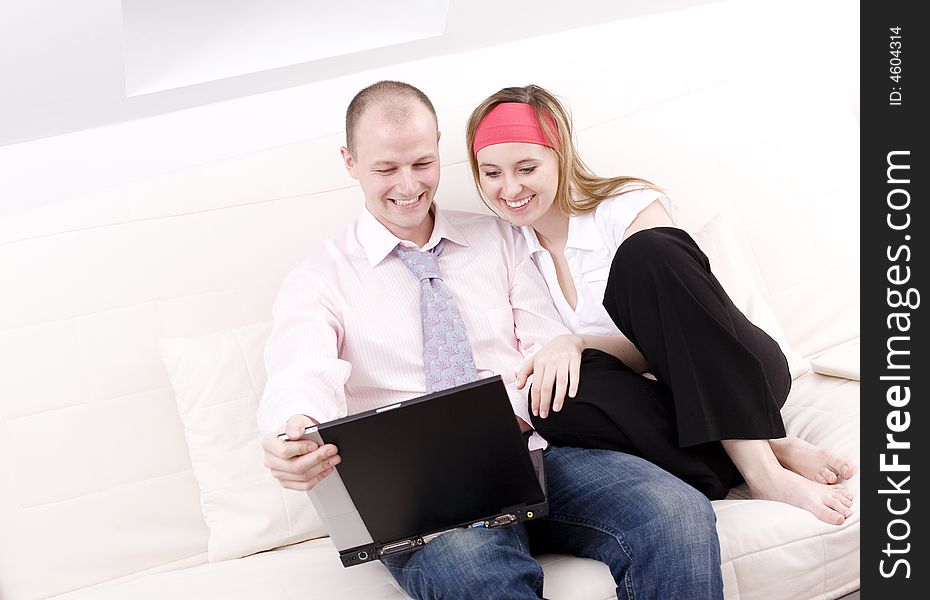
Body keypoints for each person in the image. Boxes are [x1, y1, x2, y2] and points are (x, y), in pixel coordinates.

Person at [258, 80, 723, 600]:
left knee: (675, 510)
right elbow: (301, 371)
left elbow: (543, 345)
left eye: (422, 163)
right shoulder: (320, 278)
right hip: (422, 492)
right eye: (386, 169)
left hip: (536, 455)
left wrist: (537, 388)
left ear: (439, 147)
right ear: (350, 162)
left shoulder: (499, 237)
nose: (408, 185)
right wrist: (294, 429)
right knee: (474, 568)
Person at [465, 84, 855, 525]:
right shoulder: (512, 248)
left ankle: (762, 471)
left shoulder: (630, 207)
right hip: (655, 404)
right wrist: (567, 351)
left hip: (737, 373)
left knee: (647, 254)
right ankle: (769, 444)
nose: (509, 187)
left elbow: (676, 327)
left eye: (526, 167)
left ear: (560, 156)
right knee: (549, 399)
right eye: (491, 173)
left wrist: (576, 340)